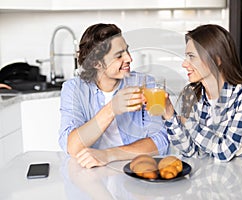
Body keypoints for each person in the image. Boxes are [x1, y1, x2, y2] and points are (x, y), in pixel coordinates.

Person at [59, 23, 169, 168]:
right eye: (119, 56)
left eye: (127, 51)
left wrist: (109, 155)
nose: (129, 58)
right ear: (97, 63)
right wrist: (112, 108)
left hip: (134, 169)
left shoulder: (144, 83)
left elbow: (161, 142)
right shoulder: (74, 89)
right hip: (91, 172)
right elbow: (72, 147)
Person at [162, 24, 242, 162]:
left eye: (192, 57)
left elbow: (224, 152)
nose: (184, 64)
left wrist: (189, 123)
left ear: (217, 59)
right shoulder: (190, 95)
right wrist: (169, 115)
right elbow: (189, 151)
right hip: (207, 177)